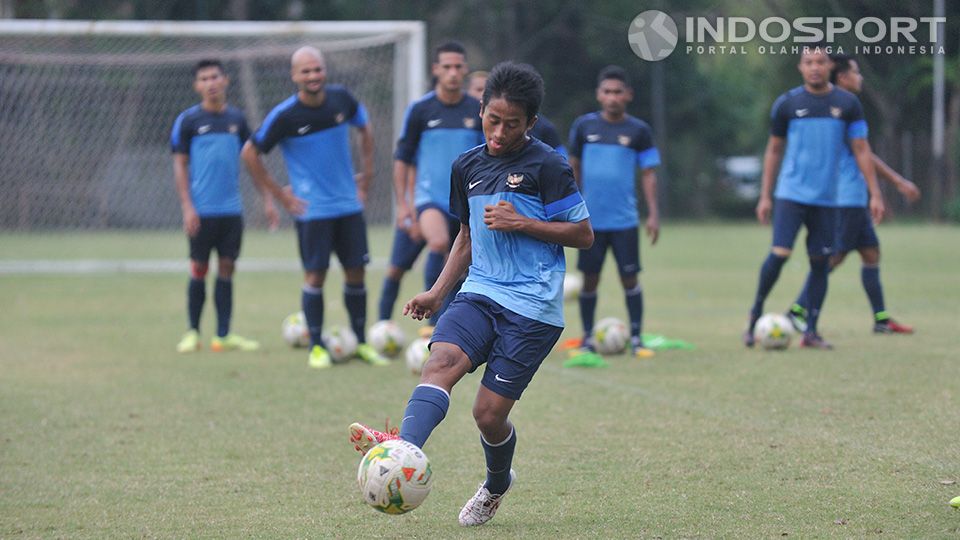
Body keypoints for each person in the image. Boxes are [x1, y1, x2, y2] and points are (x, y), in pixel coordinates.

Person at [347, 62, 593, 526]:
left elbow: (582, 234)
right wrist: (438, 293)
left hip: (533, 308)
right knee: (439, 362)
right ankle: (402, 451)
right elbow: (465, 237)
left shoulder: (548, 166)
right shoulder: (468, 165)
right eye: (492, 120)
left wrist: (524, 222)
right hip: (480, 291)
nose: (499, 132)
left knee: (487, 415)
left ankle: (497, 483)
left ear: (531, 124)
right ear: (481, 110)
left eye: (512, 124)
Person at [240, 46, 388, 369]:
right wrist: (279, 195)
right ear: (295, 76)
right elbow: (250, 152)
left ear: (325, 71)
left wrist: (368, 174)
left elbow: (365, 127)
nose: (312, 76)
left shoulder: (342, 100)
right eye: (305, 71)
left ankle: (361, 342)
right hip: (313, 211)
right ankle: (316, 347)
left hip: (348, 206)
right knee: (315, 276)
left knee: (356, 274)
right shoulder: (285, 115)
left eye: (317, 69)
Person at [744, 46, 885, 349]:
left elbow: (862, 149)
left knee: (820, 262)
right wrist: (765, 196)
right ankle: (754, 314)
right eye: (809, 62)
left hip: (827, 198)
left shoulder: (847, 104)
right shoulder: (787, 104)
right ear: (800, 67)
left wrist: (875, 193)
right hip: (791, 194)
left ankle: (811, 331)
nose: (815, 67)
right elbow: (774, 149)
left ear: (830, 65)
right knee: (780, 253)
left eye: (820, 62)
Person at [786, 54, 920, 335]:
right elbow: (865, 155)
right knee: (833, 257)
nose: (860, 78)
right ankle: (796, 311)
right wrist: (895, 183)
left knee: (870, 253)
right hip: (845, 197)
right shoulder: (839, 108)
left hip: (853, 197)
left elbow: (865, 154)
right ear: (843, 77)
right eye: (856, 73)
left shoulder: (848, 106)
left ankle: (881, 320)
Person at [171, 59, 275, 353]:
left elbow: (252, 160)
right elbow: (179, 165)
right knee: (199, 267)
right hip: (201, 212)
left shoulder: (237, 120)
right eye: (204, 78)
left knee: (227, 267)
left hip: (231, 211)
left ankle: (223, 334)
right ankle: (192, 332)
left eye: (215, 76)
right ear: (197, 85)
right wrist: (187, 207)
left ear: (225, 80)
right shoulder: (188, 121)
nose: (211, 82)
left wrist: (266, 198)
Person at [378, 41, 483, 325]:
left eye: (457, 67)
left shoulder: (477, 110)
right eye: (446, 67)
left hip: (463, 203)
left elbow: (486, 157)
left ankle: (442, 326)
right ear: (436, 69)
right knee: (421, 253)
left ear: (465, 70)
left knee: (460, 266)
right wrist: (403, 206)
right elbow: (402, 158)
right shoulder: (420, 110)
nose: (452, 72)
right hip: (427, 200)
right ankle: (384, 325)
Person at [567, 65, 661, 359]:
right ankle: (586, 337)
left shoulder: (639, 131)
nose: (612, 97)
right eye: (607, 92)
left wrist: (654, 213)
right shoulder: (584, 127)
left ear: (628, 95)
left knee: (629, 279)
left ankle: (635, 337)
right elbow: (573, 168)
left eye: (618, 92)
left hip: (624, 221)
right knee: (590, 278)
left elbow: (648, 173)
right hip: (590, 222)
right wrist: (569, 206)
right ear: (599, 95)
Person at [469, 70, 566, 156]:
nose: (499, 134)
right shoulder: (466, 165)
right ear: (482, 110)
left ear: (531, 122)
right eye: (494, 121)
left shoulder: (551, 166)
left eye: (511, 125)